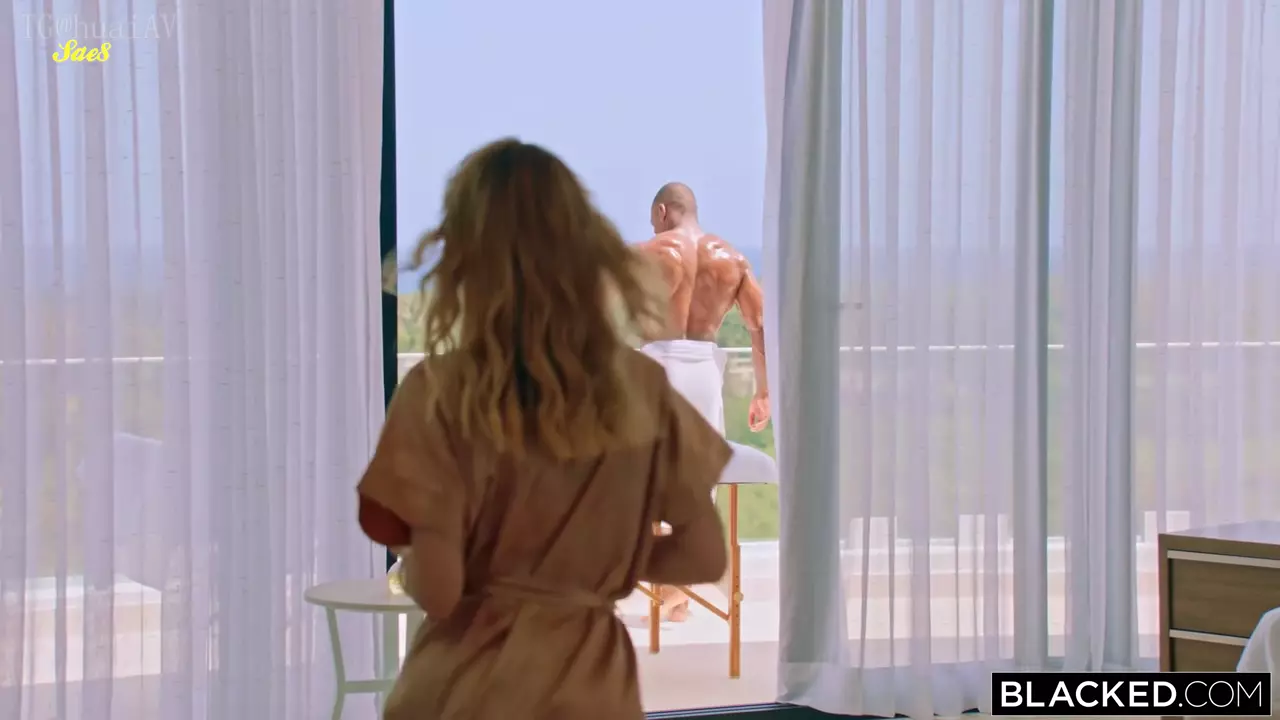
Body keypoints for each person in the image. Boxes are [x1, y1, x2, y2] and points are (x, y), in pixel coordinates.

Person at [356, 139, 732, 720]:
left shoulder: (439, 391)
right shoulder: (641, 389)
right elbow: (705, 555)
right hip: (589, 691)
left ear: (466, 258)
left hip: (465, 689)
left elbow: (439, 588)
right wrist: (591, 566)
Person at [634, 182, 773, 622]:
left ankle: (666, 585)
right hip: (704, 375)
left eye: (652, 220)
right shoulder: (733, 260)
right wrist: (763, 391)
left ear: (662, 211)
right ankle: (678, 596)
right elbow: (760, 327)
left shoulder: (647, 253)